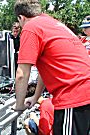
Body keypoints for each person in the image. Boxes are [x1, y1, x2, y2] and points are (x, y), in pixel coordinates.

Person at [13, 0, 90, 135]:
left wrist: (19, 105)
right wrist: (36, 97)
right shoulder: (53, 23)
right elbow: (45, 71)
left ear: (21, 17)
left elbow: (22, 73)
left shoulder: (31, 27)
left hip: (73, 95)